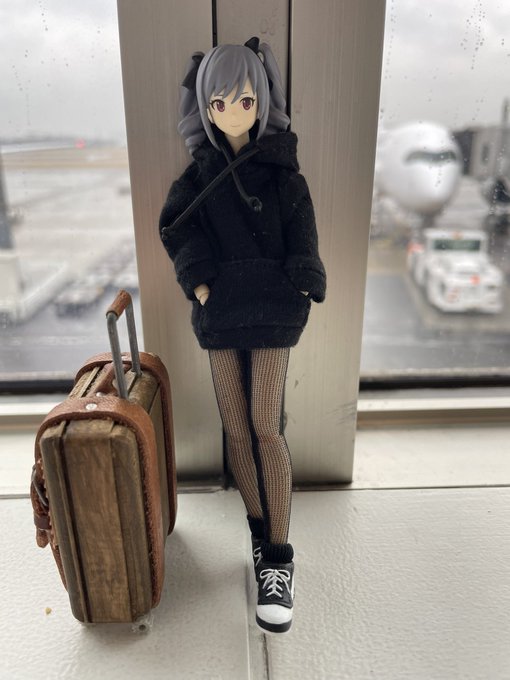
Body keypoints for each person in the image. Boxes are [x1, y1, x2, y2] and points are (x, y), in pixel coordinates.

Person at [159, 37, 326, 634]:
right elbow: (176, 226)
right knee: (235, 423)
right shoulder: (200, 174)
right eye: (221, 103)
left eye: (246, 100)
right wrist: (201, 283)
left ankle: (278, 557)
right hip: (223, 311)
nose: (234, 113)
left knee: (265, 425)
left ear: (263, 102)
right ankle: (259, 533)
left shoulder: (281, 170)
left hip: (273, 310)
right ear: (206, 107)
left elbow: (302, 225)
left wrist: (301, 279)